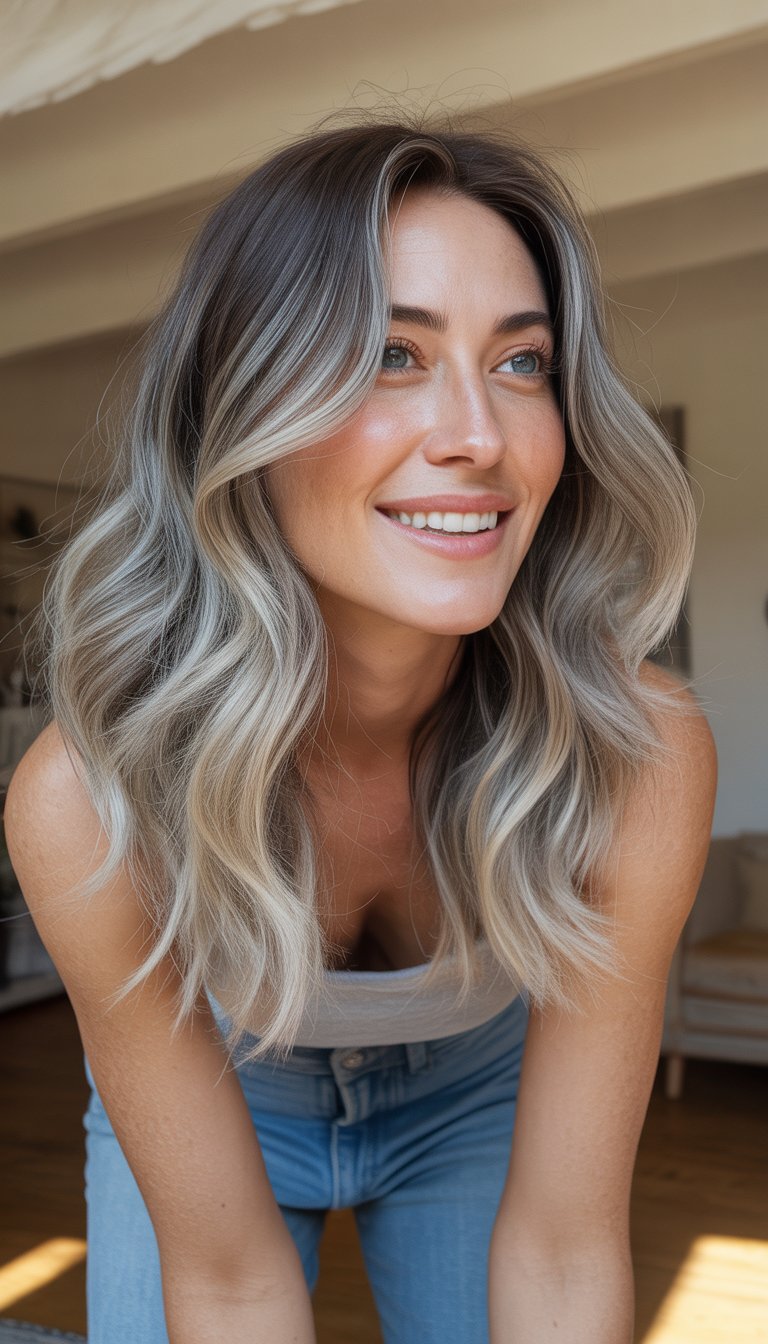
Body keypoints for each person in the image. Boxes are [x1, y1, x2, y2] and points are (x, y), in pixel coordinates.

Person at [4, 114, 717, 1344]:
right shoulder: (91, 799)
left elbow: (565, 1248)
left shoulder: (637, 754)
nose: (479, 439)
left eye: (520, 362)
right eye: (390, 353)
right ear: (242, 406)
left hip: (479, 1092)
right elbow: (229, 1285)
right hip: (216, 1087)